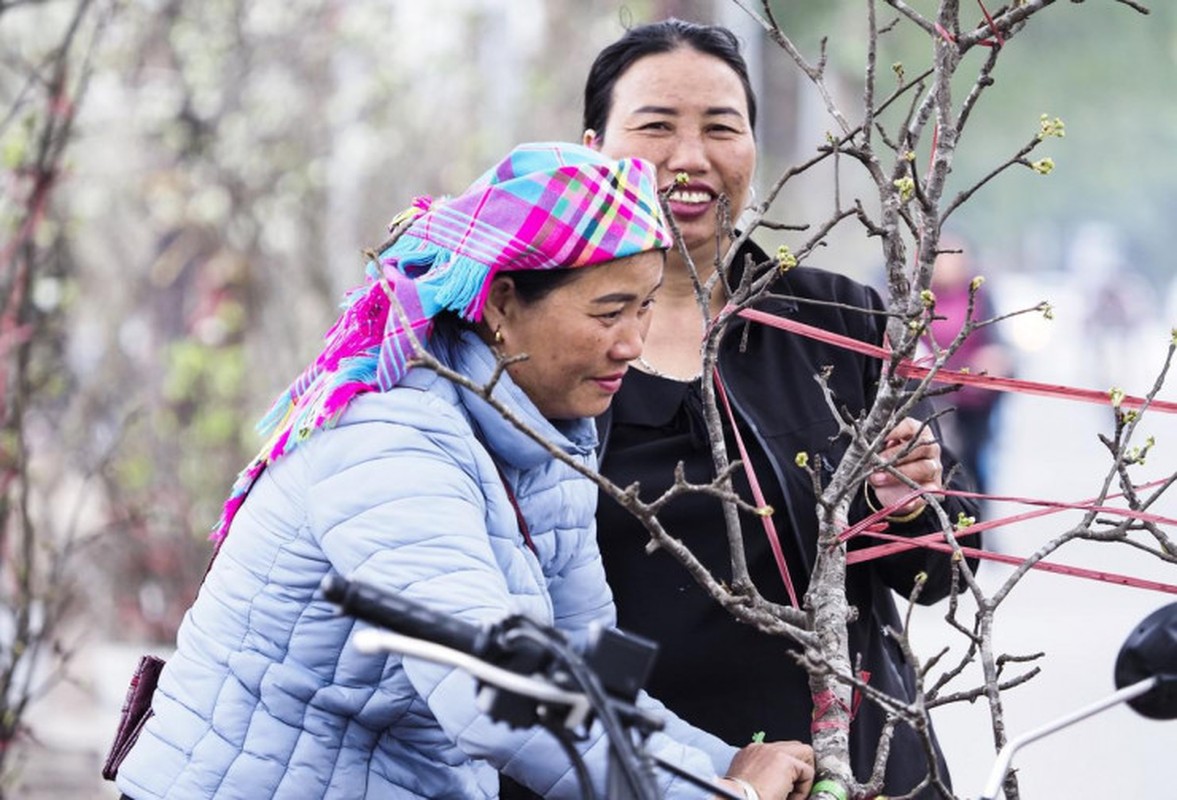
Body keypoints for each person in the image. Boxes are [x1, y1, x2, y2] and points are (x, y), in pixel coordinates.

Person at [113, 142, 815, 800]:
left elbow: (594, 681)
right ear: (504, 302)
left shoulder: (552, 442)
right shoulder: (391, 443)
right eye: (608, 311)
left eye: (642, 307)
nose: (632, 344)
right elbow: (495, 697)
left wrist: (723, 765)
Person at [579, 20, 982, 800]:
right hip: (657, 775)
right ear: (591, 145)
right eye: (655, 126)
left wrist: (905, 510)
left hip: (862, 765)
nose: (689, 158)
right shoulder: (545, 346)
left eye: (720, 128)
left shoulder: (835, 320)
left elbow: (945, 572)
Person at [928, 234, 1014, 496]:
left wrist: (993, 359)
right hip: (930, 396)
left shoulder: (980, 294)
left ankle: (979, 517)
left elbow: (998, 342)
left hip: (974, 398)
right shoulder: (913, 296)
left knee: (974, 462)